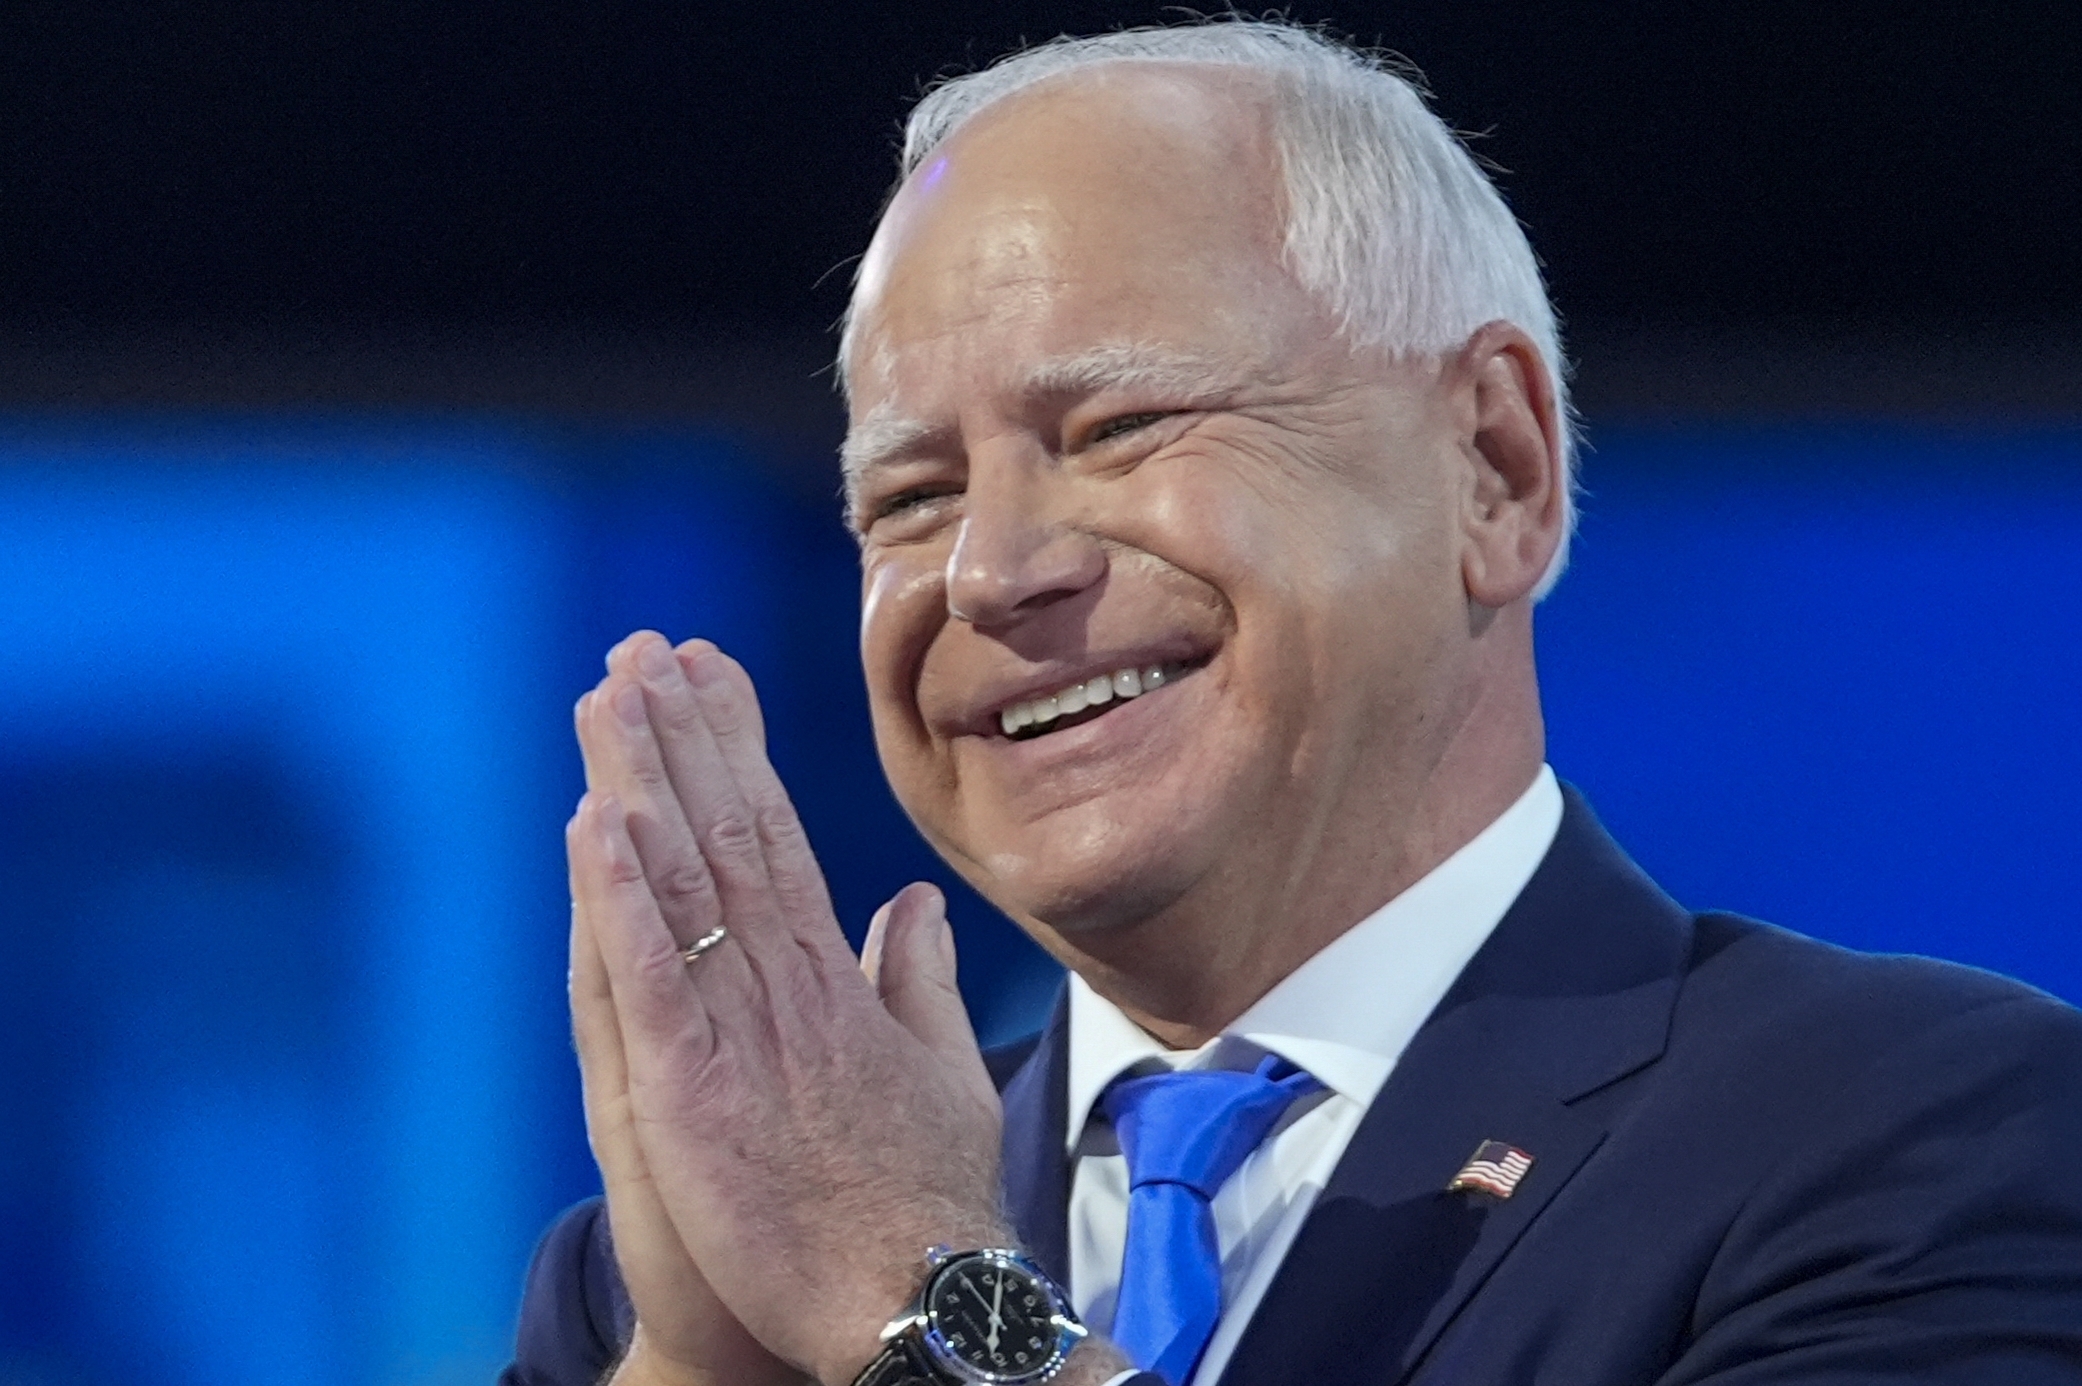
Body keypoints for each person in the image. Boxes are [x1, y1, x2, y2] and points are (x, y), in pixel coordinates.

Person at [504, 20, 2082, 1386]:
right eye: (907, 496)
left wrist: (919, 1304)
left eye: (1122, 425)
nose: (988, 571)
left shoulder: (1925, 1136)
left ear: (1492, 468)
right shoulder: (693, 1260)